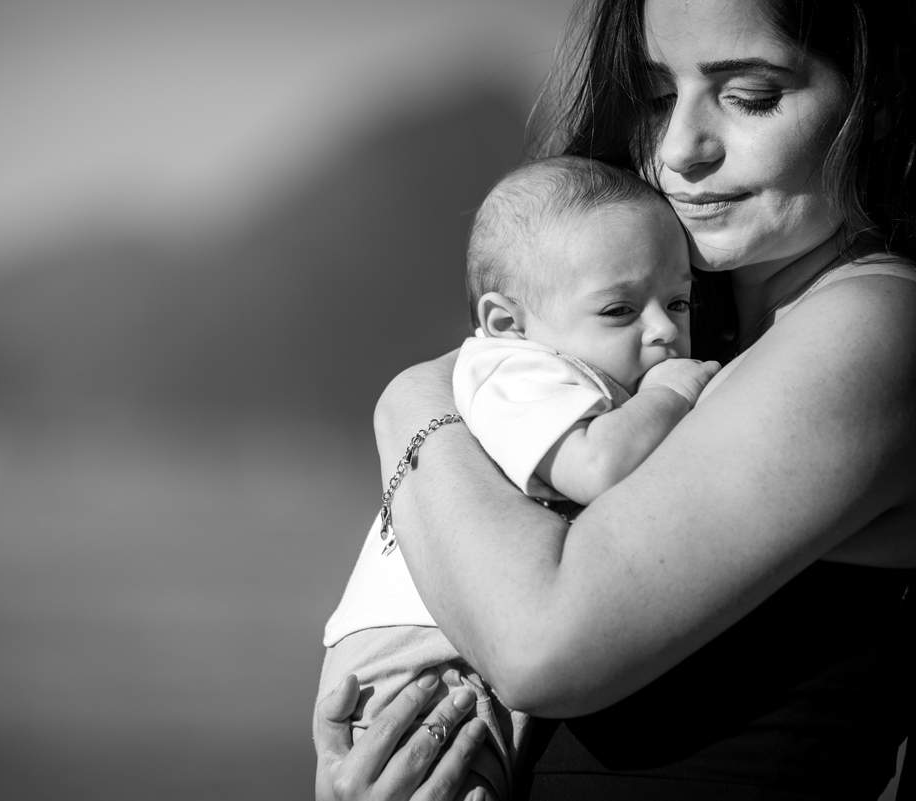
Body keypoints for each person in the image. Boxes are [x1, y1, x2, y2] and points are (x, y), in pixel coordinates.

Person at [313, 0, 916, 798]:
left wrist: (412, 401)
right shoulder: (693, 340)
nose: (680, 149)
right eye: (659, 95)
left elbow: (537, 644)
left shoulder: (877, 324)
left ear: (872, 104)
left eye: (752, 96)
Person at [317, 156, 720, 800]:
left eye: (677, 301)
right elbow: (599, 466)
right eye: (620, 310)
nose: (665, 331)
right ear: (509, 323)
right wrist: (674, 395)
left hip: (450, 645)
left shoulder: (563, 372)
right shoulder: (514, 372)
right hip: (416, 663)